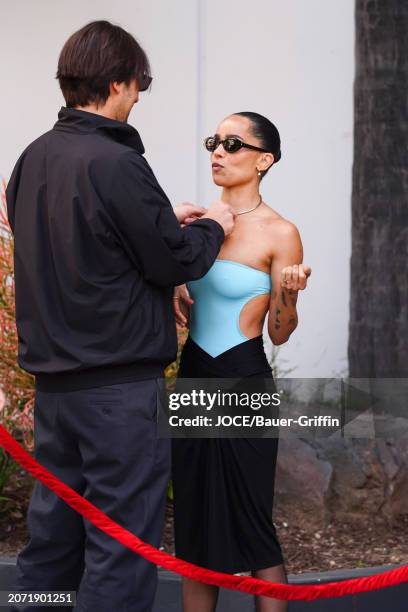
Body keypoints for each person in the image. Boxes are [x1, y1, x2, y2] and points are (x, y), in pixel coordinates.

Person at [6, 20, 235, 612]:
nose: (137, 99)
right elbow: (172, 260)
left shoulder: (32, 160)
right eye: (136, 87)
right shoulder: (115, 162)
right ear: (115, 83)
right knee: (119, 543)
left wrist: (163, 219)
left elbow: (90, 244)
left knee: (52, 543)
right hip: (119, 394)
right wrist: (212, 224)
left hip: (55, 392)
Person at [172, 111, 312, 612]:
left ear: (264, 160)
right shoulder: (196, 222)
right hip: (193, 380)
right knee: (193, 524)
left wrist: (290, 299)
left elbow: (278, 332)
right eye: (214, 141)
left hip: (243, 383)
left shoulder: (280, 231)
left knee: (253, 520)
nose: (218, 152)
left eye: (233, 144)